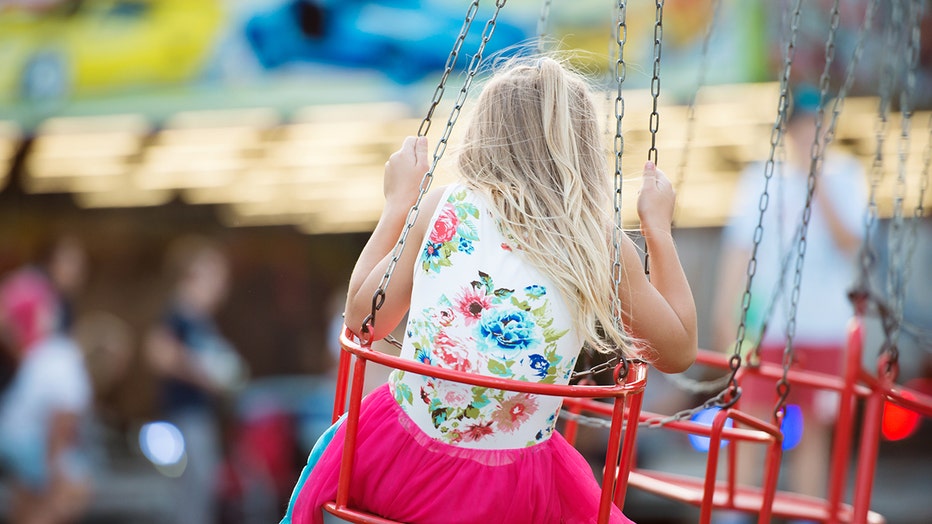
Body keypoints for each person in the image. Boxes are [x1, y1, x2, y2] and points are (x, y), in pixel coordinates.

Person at [282, 55, 698, 524]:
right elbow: (678, 351)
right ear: (582, 146)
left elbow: (364, 319)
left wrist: (398, 204)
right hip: (509, 496)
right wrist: (657, 230)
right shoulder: (598, 243)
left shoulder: (444, 206)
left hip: (397, 463)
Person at [712, 86, 865, 517]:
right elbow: (740, 251)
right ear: (787, 130)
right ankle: (733, 511)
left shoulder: (848, 176)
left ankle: (806, 514)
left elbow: (851, 242)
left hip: (827, 324)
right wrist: (727, 311)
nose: (809, 135)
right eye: (801, 127)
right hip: (771, 326)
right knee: (752, 419)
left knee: (816, 429)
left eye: (818, 127)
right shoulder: (760, 179)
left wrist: (817, 180)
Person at [144, 236, 246, 524]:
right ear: (192, 275)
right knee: (191, 492)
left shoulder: (201, 320)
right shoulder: (179, 313)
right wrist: (203, 373)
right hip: (185, 417)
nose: (220, 287)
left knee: (202, 490)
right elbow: (158, 353)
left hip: (200, 416)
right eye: (214, 277)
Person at [0, 268, 93, 524]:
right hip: (38, 452)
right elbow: (61, 418)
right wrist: (56, 469)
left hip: (33, 453)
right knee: (55, 500)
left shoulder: (45, 357)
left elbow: (60, 418)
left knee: (36, 505)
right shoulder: (52, 357)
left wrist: (54, 469)